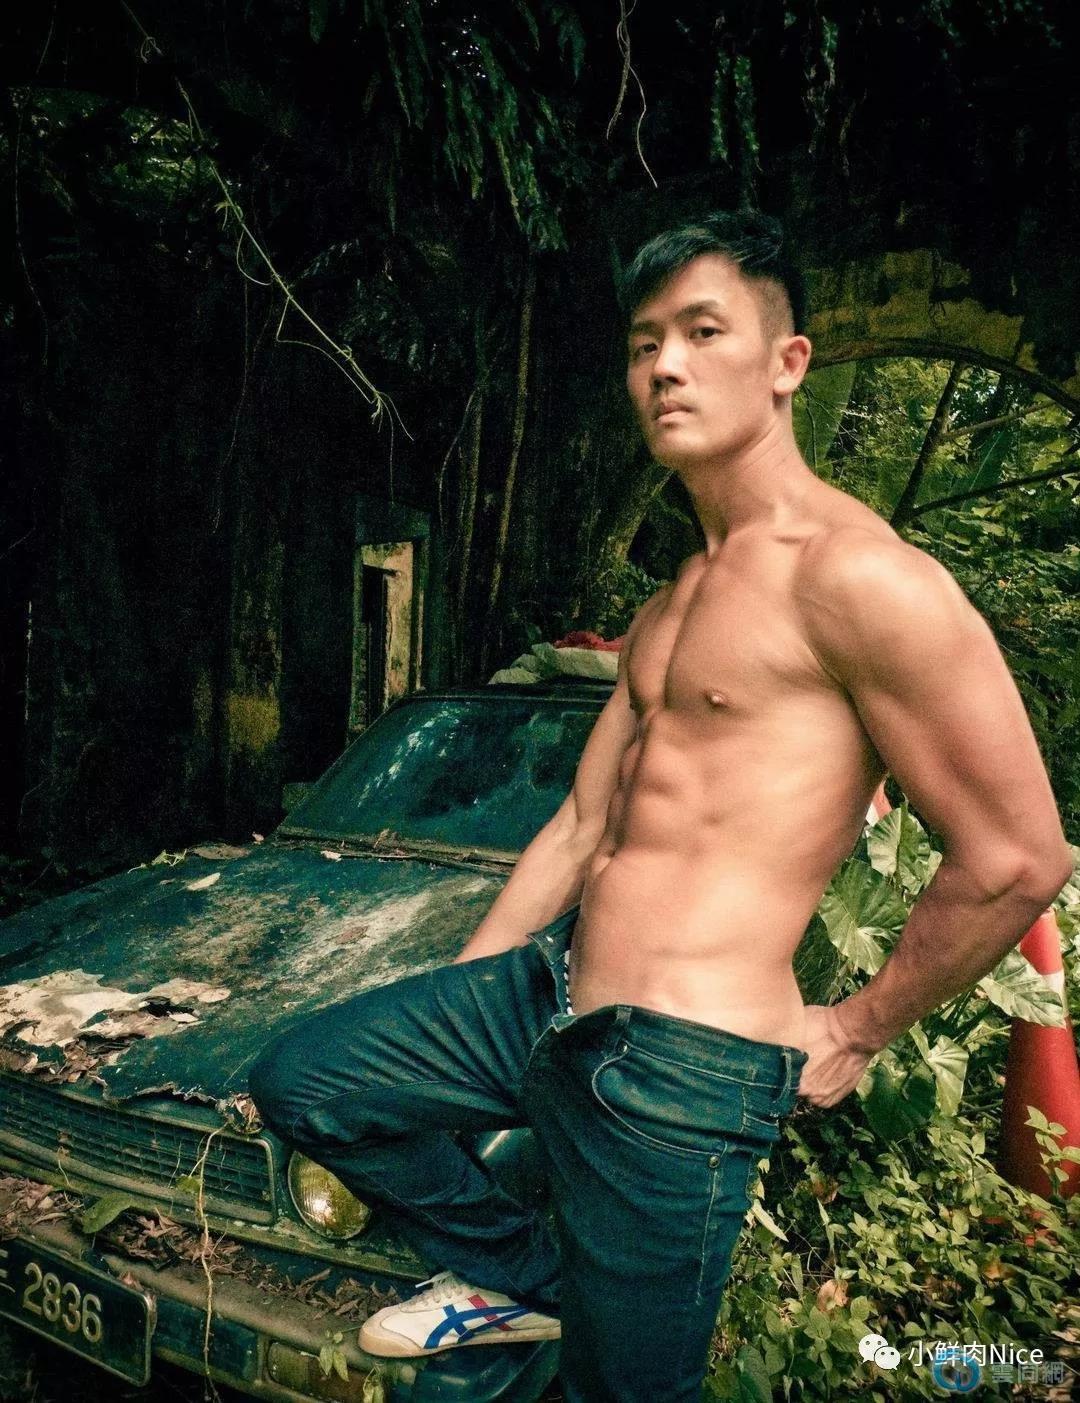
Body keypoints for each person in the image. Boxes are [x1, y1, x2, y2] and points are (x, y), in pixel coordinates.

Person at [248, 211, 1071, 1402]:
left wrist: (858, 1026)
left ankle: (567, 1313)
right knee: (309, 1079)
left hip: (684, 1064)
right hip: (548, 997)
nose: (666, 366)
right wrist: (468, 989)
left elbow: (1017, 855)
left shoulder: (860, 577)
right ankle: (536, 1281)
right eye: (645, 344)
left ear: (787, 361)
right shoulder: (675, 597)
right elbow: (581, 826)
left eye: (702, 331)